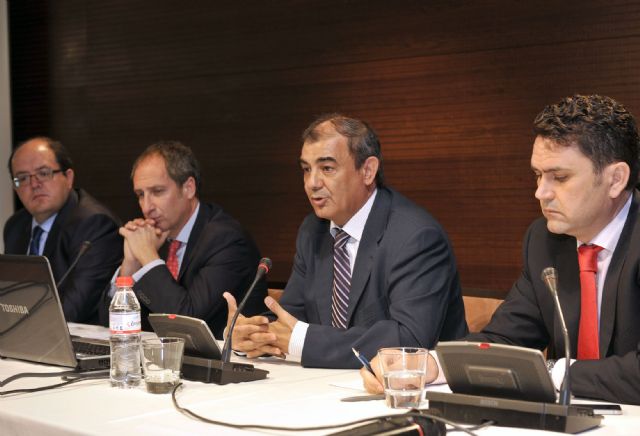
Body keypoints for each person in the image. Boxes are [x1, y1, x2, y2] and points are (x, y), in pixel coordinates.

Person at [362, 94, 640, 405]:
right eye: (538, 175)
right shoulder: (544, 240)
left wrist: (554, 371)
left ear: (616, 179)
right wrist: (429, 365)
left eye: (560, 178)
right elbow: (506, 338)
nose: (541, 193)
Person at [224, 114, 468, 369]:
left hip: (414, 387)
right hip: (332, 383)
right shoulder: (313, 231)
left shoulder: (416, 236)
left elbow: (410, 339)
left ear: (368, 171)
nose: (312, 183)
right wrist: (250, 335)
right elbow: (290, 318)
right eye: (306, 169)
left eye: (327, 168)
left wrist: (303, 343)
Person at [104, 140, 267, 337]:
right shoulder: (158, 236)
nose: (146, 207)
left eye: (157, 192)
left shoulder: (226, 239)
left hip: (227, 354)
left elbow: (186, 323)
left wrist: (148, 257)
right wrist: (131, 265)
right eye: (140, 194)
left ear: (189, 188)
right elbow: (107, 323)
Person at [4, 137, 122, 323]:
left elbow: (75, 308)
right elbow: (10, 298)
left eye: (43, 173)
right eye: (23, 178)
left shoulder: (95, 225)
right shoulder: (15, 226)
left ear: (68, 178)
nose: (34, 184)